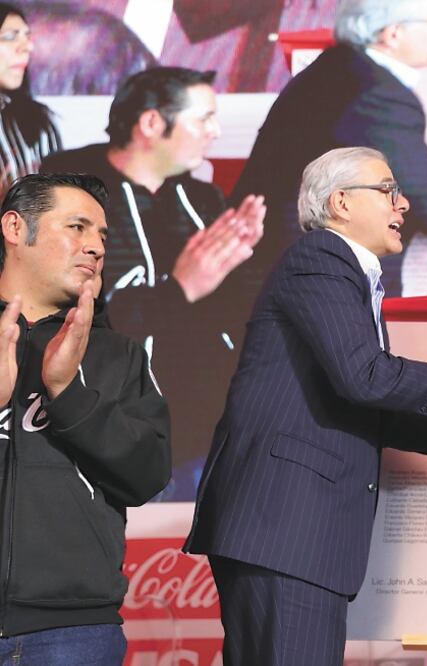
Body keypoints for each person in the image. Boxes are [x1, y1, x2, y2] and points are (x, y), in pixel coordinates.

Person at [184, 146, 427, 666]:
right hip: (285, 529)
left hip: (295, 537)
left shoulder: (344, 272)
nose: (403, 204)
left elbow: (352, 398)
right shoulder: (322, 258)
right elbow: (363, 376)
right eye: (388, 191)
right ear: (341, 202)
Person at [41, 67, 265, 495]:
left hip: (209, 432)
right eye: (204, 118)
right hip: (115, 434)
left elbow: (240, 314)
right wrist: (180, 289)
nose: (216, 132)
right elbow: (68, 319)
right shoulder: (70, 206)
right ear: (151, 123)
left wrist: (246, 259)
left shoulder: (202, 200)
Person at [229, 0, 427, 296]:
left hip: (296, 277)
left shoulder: (340, 71)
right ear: (393, 33)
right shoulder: (377, 93)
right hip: (319, 288)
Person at [0, 173, 170, 663]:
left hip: (73, 631)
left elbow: (148, 474)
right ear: (15, 228)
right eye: (77, 227)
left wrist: (68, 394)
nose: (95, 247)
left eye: (101, 236)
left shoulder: (118, 354)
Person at [0, 3, 61, 197]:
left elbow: (58, 200)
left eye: (27, 37)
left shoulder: (38, 121)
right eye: (10, 37)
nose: (27, 47)